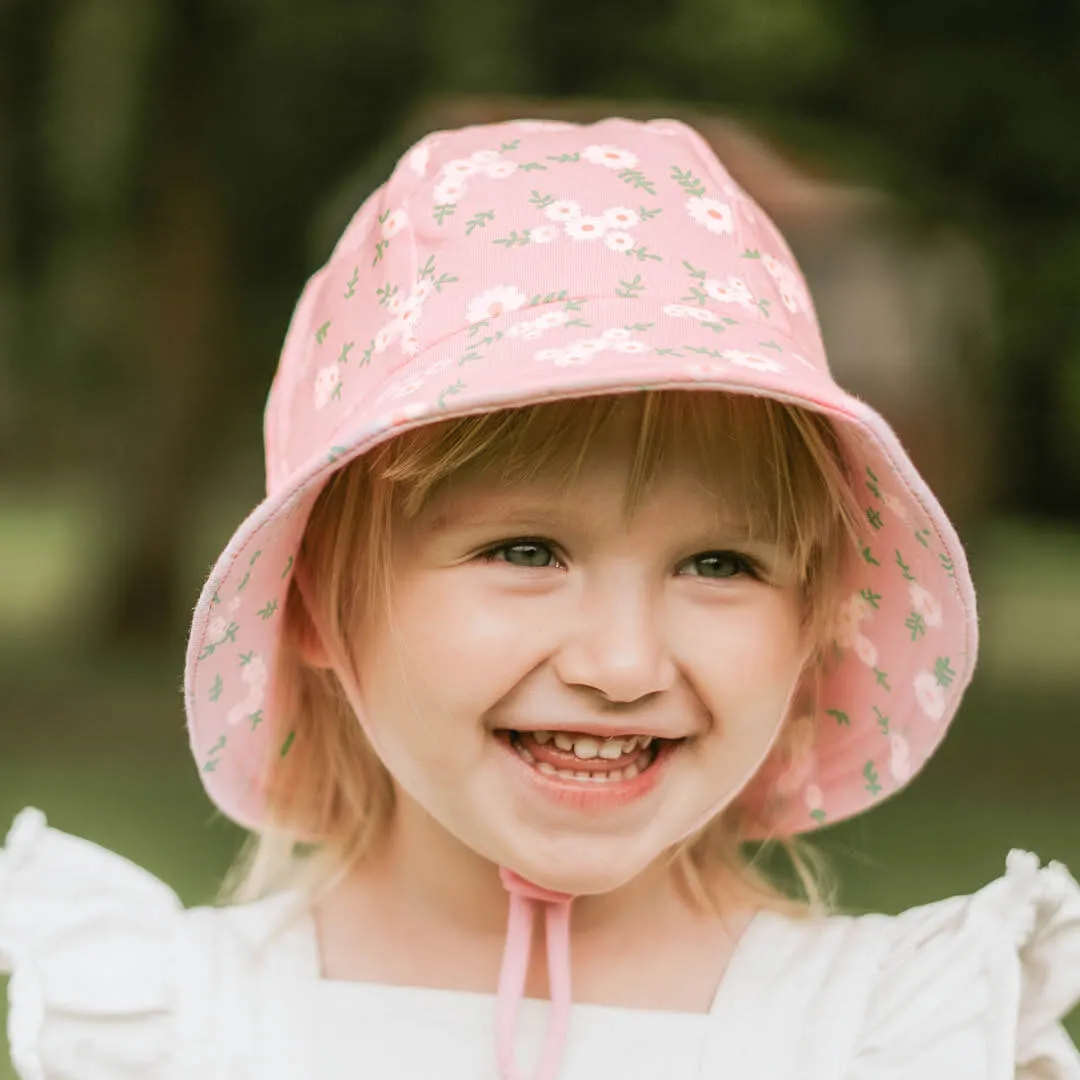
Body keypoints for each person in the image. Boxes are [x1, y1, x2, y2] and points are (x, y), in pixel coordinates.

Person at [1, 117, 1077, 1080]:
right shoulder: (178, 1032)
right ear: (320, 602)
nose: (620, 664)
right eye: (525, 549)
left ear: (814, 621)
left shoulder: (899, 1039)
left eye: (719, 565)